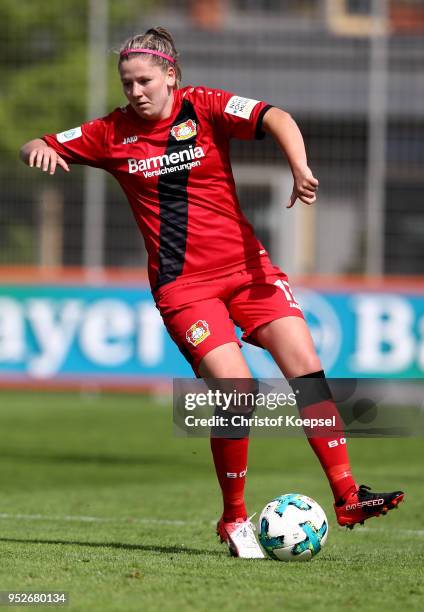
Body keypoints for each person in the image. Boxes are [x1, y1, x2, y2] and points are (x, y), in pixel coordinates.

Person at [20, 27, 404, 559]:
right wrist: (37, 147)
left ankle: (347, 496)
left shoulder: (204, 107)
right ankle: (234, 518)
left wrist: (299, 166)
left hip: (249, 271)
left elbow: (277, 116)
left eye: (145, 80)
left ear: (171, 76)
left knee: (307, 369)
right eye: (127, 82)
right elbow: (38, 142)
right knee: (237, 391)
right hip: (185, 288)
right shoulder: (110, 132)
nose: (135, 91)